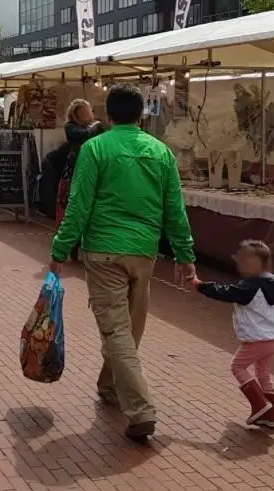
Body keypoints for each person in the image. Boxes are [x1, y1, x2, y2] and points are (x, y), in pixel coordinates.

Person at [48, 84, 196, 443]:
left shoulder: (96, 148)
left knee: (119, 332)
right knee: (130, 330)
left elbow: (79, 204)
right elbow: (174, 209)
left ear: (108, 116)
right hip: (143, 253)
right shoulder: (160, 152)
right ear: (141, 114)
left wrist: (59, 250)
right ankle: (110, 385)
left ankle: (141, 409)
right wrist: (184, 254)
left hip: (103, 251)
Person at [189, 240, 274, 430]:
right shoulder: (272, 285)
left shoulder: (251, 287)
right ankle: (271, 416)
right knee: (262, 371)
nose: (239, 265)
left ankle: (259, 404)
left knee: (238, 367)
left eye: (243, 261)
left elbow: (226, 292)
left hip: (257, 339)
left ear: (256, 264)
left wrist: (200, 286)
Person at [56, 99, 104, 228]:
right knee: (71, 204)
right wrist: (95, 125)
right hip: (74, 170)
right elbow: (85, 135)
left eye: (88, 111)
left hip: (91, 168)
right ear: (76, 114)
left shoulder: (95, 127)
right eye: (84, 112)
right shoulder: (70, 126)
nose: (88, 114)